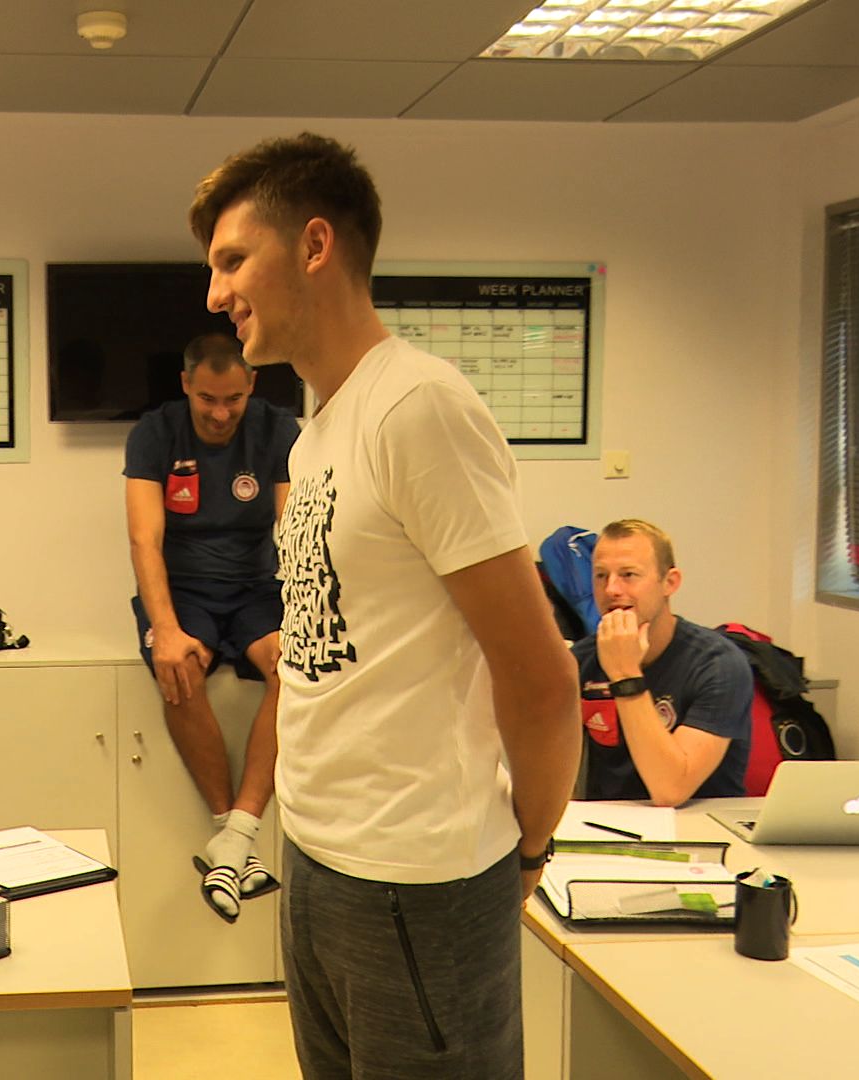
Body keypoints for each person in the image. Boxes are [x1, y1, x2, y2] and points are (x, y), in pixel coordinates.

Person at [189, 133, 579, 1078]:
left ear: (315, 245)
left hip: (422, 880)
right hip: (320, 861)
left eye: (233, 260)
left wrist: (529, 851)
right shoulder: (318, 431)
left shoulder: (419, 408)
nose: (214, 294)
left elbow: (540, 676)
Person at [123, 332, 298, 923]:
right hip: (184, 591)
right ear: (186, 386)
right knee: (180, 668)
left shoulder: (278, 429)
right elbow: (144, 540)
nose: (221, 414)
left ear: (251, 386)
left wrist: (309, 615)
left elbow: (296, 531)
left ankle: (234, 837)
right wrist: (166, 630)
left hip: (256, 590)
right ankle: (234, 834)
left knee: (294, 669)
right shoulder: (155, 433)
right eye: (207, 399)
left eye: (233, 399)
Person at [572, 518, 753, 806]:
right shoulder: (582, 659)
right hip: (610, 823)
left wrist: (625, 674)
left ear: (669, 583)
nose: (611, 589)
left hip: (699, 822)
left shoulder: (718, 665)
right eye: (601, 575)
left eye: (628, 574)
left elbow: (670, 790)